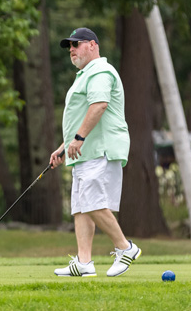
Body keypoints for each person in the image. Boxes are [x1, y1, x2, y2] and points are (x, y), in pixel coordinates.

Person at [51, 27, 141, 277]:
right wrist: (64, 147)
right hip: (85, 151)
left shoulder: (100, 71)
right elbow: (82, 115)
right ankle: (84, 262)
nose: (72, 50)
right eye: (69, 46)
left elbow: (99, 105)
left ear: (92, 45)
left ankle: (126, 248)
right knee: (81, 206)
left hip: (100, 149)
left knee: (92, 203)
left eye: (76, 44)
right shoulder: (85, 75)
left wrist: (78, 138)